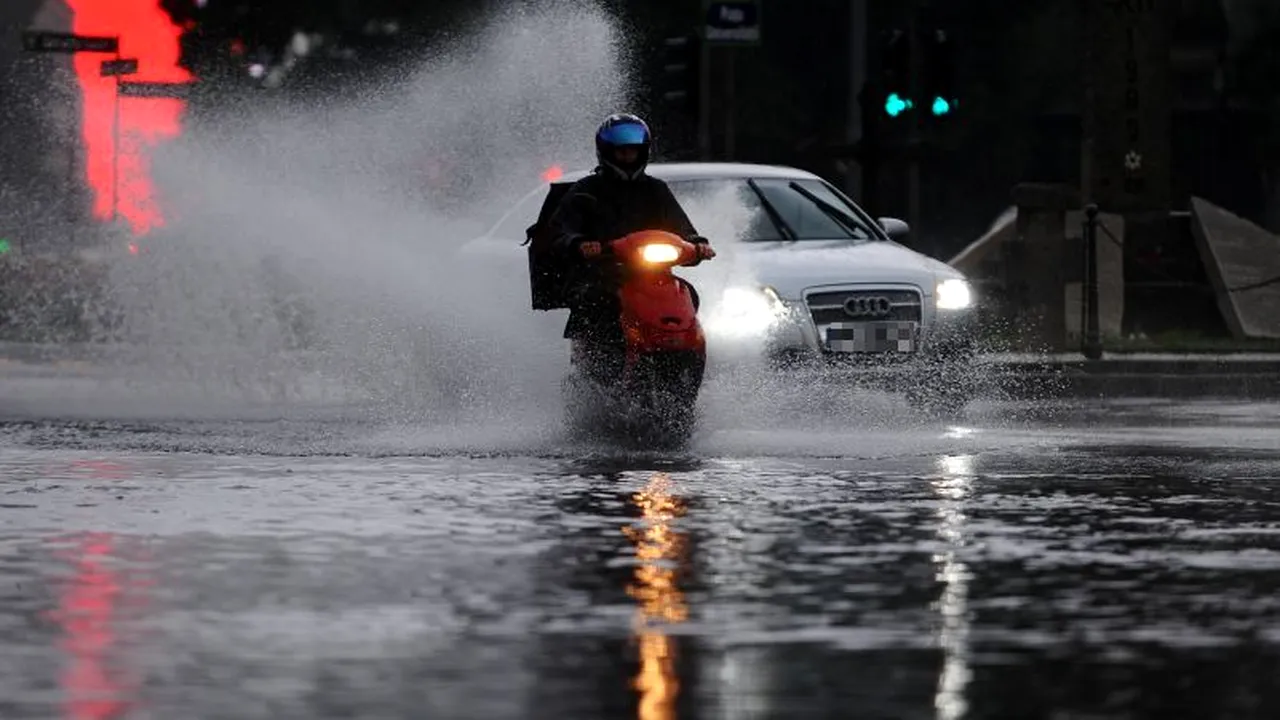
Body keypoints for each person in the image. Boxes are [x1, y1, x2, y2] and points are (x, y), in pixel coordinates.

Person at [547, 113, 715, 378]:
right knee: (597, 302)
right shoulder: (586, 190)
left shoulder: (656, 190)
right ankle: (597, 371)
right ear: (606, 152)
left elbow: (682, 227)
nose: (628, 156)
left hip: (653, 274)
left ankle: (687, 360)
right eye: (621, 151)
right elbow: (560, 230)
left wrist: (697, 244)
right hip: (602, 274)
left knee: (688, 294)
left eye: (633, 151)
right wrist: (579, 244)